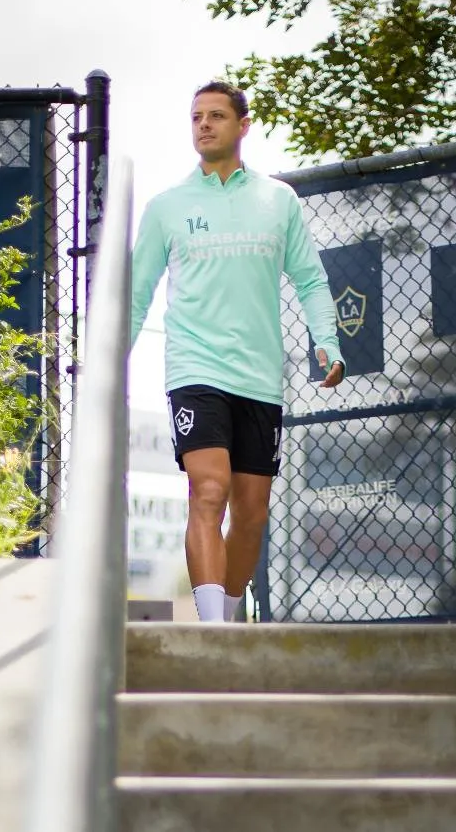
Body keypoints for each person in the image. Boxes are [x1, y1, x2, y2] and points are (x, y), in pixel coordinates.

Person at [130, 79, 345, 622]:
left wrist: (327, 341)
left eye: (216, 116)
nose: (203, 124)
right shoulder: (166, 207)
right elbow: (135, 295)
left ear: (242, 126)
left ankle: (228, 616)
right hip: (194, 369)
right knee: (209, 489)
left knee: (251, 514)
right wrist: (110, 366)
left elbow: (312, 281)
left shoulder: (278, 200)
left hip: (258, 378)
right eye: (196, 116)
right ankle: (211, 632)